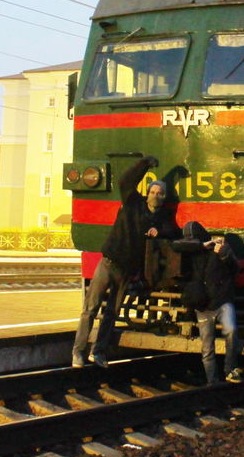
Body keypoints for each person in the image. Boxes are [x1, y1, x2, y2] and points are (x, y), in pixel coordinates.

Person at [72, 155, 179, 368]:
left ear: (164, 197)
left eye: (160, 193)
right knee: (90, 308)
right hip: (108, 263)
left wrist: (159, 232)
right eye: (153, 192)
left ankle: (98, 351)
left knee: (111, 313)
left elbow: (174, 231)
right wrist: (144, 164)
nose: (155, 196)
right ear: (147, 193)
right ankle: (78, 352)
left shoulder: (162, 219)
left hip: (126, 271)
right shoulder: (133, 203)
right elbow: (125, 181)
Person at [173, 220, 244, 385]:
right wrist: (200, 245)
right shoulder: (191, 252)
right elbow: (176, 245)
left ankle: (230, 370)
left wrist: (225, 254)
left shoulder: (220, 248)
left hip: (221, 300)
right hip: (204, 304)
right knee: (207, 347)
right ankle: (212, 381)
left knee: (230, 331)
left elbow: (236, 268)